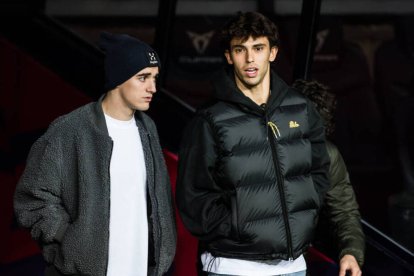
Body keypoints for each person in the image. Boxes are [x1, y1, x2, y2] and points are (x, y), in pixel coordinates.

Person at [176, 11, 330, 276]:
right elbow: (193, 198)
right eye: (240, 49)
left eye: (258, 48)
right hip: (234, 267)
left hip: (292, 267)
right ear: (228, 56)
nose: (250, 59)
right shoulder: (210, 120)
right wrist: (237, 227)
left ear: (273, 52)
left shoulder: (300, 110)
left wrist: (302, 218)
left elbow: (318, 173)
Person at [13, 32, 176, 276]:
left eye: (154, 78)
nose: (152, 87)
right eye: (143, 78)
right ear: (118, 79)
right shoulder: (71, 129)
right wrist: (69, 240)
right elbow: (32, 198)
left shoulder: (147, 129)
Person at [292, 79, 365, 276]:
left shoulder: (328, 156)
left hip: (297, 260)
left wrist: (350, 252)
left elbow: (344, 212)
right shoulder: (258, 148)